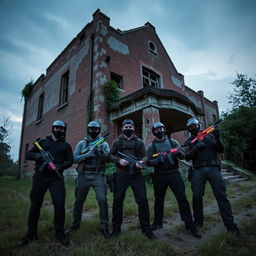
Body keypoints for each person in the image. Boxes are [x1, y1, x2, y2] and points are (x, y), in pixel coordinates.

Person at [17, 120, 73, 246]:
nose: (58, 130)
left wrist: (59, 166)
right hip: (40, 177)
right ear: (52, 128)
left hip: (56, 179)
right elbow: (28, 154)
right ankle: (31, 234)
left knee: (59, 205)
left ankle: (60, 233)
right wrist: (38, 157)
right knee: (35, 205)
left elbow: (70, 161)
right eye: (56, 128)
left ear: (64, 130)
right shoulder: (42, 142)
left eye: (61, 128)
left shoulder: (66, 145)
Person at [184, 118, 241, 236]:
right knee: (197, 196)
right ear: (188, 129)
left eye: (195, 125)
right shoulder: (190, 141)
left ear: (199, 125)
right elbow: (187, 157)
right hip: (198, 170)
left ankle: (231, 226)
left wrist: (218, 138)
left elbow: (221, 149)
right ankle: (198, 221)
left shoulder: (210, 136)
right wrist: (196, 147)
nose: (193, 128)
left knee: (222, 196)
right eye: (191, 127)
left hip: (214, 169)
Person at [146, 122, 201, 238]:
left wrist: (179, 153)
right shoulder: (151, 147)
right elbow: (148, 162)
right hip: (159, 175)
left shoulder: (173, 142)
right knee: (159, 200)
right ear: (154, 132)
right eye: (157, 129)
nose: (159, 130)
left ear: (164, 130)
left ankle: (189, 224)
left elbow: (183, 156)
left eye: (161, 128)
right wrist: (158, 160)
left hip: (174, 173)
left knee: (182, 199)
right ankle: (157, 222)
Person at [109, 119, 156, 239]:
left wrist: (141, 162)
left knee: (143, 201)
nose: (128, 128)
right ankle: (116, 229)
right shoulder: (117, 142)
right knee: (118, 201)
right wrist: (119, 160)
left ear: (133, 128)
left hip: (136, 175)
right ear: (123, 128)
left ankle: (146, 229)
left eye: (130, 126)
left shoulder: (139, 141)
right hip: (121, 175)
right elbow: (109, 155)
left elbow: (145, 156)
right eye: (126, 127)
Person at [65, 121, 112, 238]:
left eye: (96, 129)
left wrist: (101, 152)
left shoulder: (104, 144)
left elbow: (108, 159)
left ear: (99, 130)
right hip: (83, 175)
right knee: (78, 201)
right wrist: (87, 155)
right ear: (88, 129)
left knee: (102, 200)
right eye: (91, 128)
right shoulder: (82, 143)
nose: (93, 131)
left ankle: (104, 227)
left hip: (98, 175)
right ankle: (75, 224)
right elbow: (74, 159)